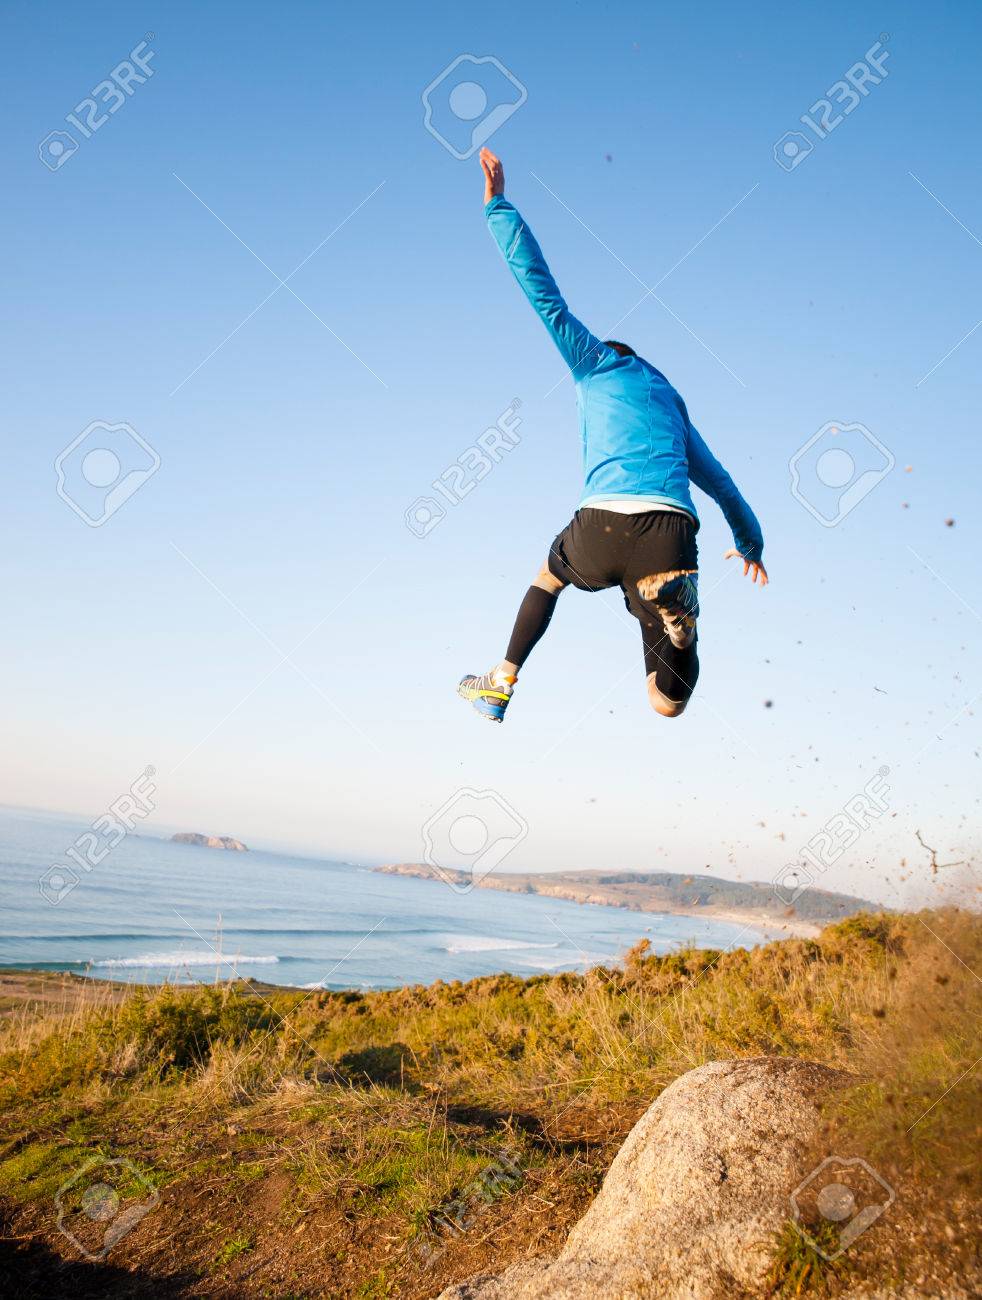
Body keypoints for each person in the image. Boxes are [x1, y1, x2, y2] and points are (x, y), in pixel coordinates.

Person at [458, 148, 767, 724]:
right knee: (666, 703)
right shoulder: (673, 405)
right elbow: (723, 485)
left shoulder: (594, 363)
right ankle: (679, 631)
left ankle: (499, 683)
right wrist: (751, 545)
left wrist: (497, 206)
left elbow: (542, 293)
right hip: (669, 537)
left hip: (600, 526)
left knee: (548, 577)